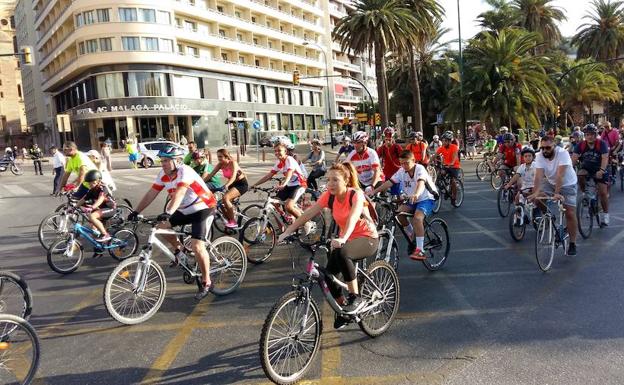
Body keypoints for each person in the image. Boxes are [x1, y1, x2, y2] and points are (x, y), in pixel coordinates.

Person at [277, 162, 379, 329]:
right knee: (328, 276)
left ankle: (355, 297)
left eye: (335, 180)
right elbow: (309, 213)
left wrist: (343, 237)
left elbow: (353, 218)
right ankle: (344, 309)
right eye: (328, 179)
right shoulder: (328, 196)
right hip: (344, 240)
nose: (330, 184)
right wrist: (288, 231)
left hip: (367, 238)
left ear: (346, 181)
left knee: (342, 252)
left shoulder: (356, 194)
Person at [128, 145, 218, 300]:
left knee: (197, 246)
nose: (163, 163)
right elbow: (152, 193)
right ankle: (180, 251)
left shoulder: (186, 171)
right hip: (185, 209)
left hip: (203, 208)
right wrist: (136, 211)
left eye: (167, 160)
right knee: (159, 229)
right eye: (162, 160)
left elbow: (180, 193)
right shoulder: (163, 174)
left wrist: (168, 212)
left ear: (177, 161)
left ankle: (207, 281)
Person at [369, 150, 437, 260]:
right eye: (401, 163)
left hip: (426, 198)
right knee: (399, 214)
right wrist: (374, 192)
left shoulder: (420, 169)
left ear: (413, 161)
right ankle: (412, 235)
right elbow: (389, 182)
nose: (404, 166)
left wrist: (416, 194)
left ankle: (420, 250)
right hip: (412, 199)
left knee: (417, 218)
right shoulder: (401, 171)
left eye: (406, 163)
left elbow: (421, 183)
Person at [528, 135, 578, 256]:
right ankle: (549, 215)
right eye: (543, 148)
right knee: (537, 198)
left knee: (570, 213)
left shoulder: (563, 154)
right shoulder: (539, 156)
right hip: (550, 182)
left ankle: (572, 243)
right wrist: (535, 193)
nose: (545, 150)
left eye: (548, 148)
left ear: (554, 146)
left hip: (567, 184)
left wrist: (557, 193)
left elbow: (560, 176)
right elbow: (539, 176)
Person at [252, 140, 309, 228]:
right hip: (289, 186)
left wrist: (283, 184)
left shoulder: (289, 159)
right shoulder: (279, 162)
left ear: (285, 151)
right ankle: (283, 227)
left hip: (299, 185)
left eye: (279, 150)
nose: (277, 153)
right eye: (275, 151)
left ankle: (306, 223)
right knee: (274, 204)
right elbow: (269, 175)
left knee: (288, 207)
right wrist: (255, 184)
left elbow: (290, 173)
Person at [573, 124, 610, 226]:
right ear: (584, 135)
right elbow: (574, 158)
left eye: (592, 134)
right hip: (587, 168)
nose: (590, 136)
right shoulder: (581, 145)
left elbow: (605, 158)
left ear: (595, 135)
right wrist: (568, 170)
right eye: (587, 134)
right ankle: (586, 195)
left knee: (603, 192)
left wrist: (601, 170)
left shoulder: (601, 144)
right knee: (580, 174)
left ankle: (606, 215)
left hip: (600, 169)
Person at [204, 148, 249, 228]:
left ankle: (233, 221)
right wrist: (201, 183)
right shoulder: (220, 164)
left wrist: (226, 185)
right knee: (221, 204)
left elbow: (233, 177)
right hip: (232, 184)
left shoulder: (233, 163)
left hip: (241, 184)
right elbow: (211, 175)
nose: (219, 159)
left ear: (226, 156)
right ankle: (229, 221)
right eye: (218, 157)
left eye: (220, 156)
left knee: (226, 197)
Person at [76, 170, 117, 243]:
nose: (90, 184)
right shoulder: (92, 189)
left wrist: (92, 207)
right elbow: (84, 199)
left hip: (110, 208)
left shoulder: (103, 188)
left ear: (98, 181)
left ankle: (105, 234)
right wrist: (74, 207)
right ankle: (100, 247)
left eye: (92, 182)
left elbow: (100, 200)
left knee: (92, 216)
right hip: (101, 209)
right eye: (89, 182)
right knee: (93, 229)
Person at [435, 131, 461, 205]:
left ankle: (454, 198)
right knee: (440, 174)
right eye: (443, 140)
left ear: (449, 141)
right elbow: (435, 155)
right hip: (446, 166)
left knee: (453, 181)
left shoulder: (454, 147)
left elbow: (454, 157)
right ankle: (446, 189)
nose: (443, 142)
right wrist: (429, 161)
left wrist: (451, 163)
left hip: (454, 166)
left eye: (445, 140)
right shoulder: (442, 148)